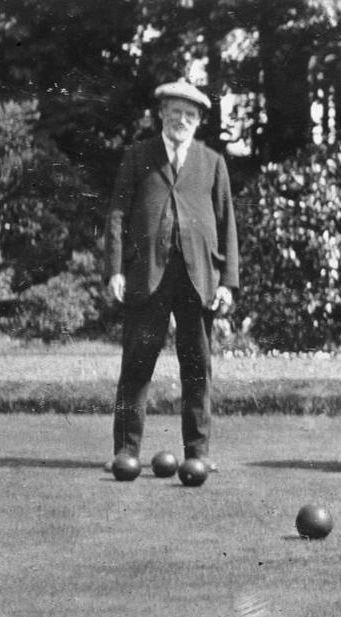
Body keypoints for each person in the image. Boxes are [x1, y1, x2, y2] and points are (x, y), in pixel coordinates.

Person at [102, 80, 239, 472]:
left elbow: (227, 223)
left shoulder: (212, 162)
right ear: (161, 113)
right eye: (176, 112)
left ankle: (198, 453)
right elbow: (116, 216)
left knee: (198, 368)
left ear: (198, 123)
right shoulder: (137, 155)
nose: (182, 120)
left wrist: (228, 281)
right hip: (146, 275)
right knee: (136, 366)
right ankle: (126, 453)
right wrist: (114, 270)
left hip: (199, 278)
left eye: (190, 115)